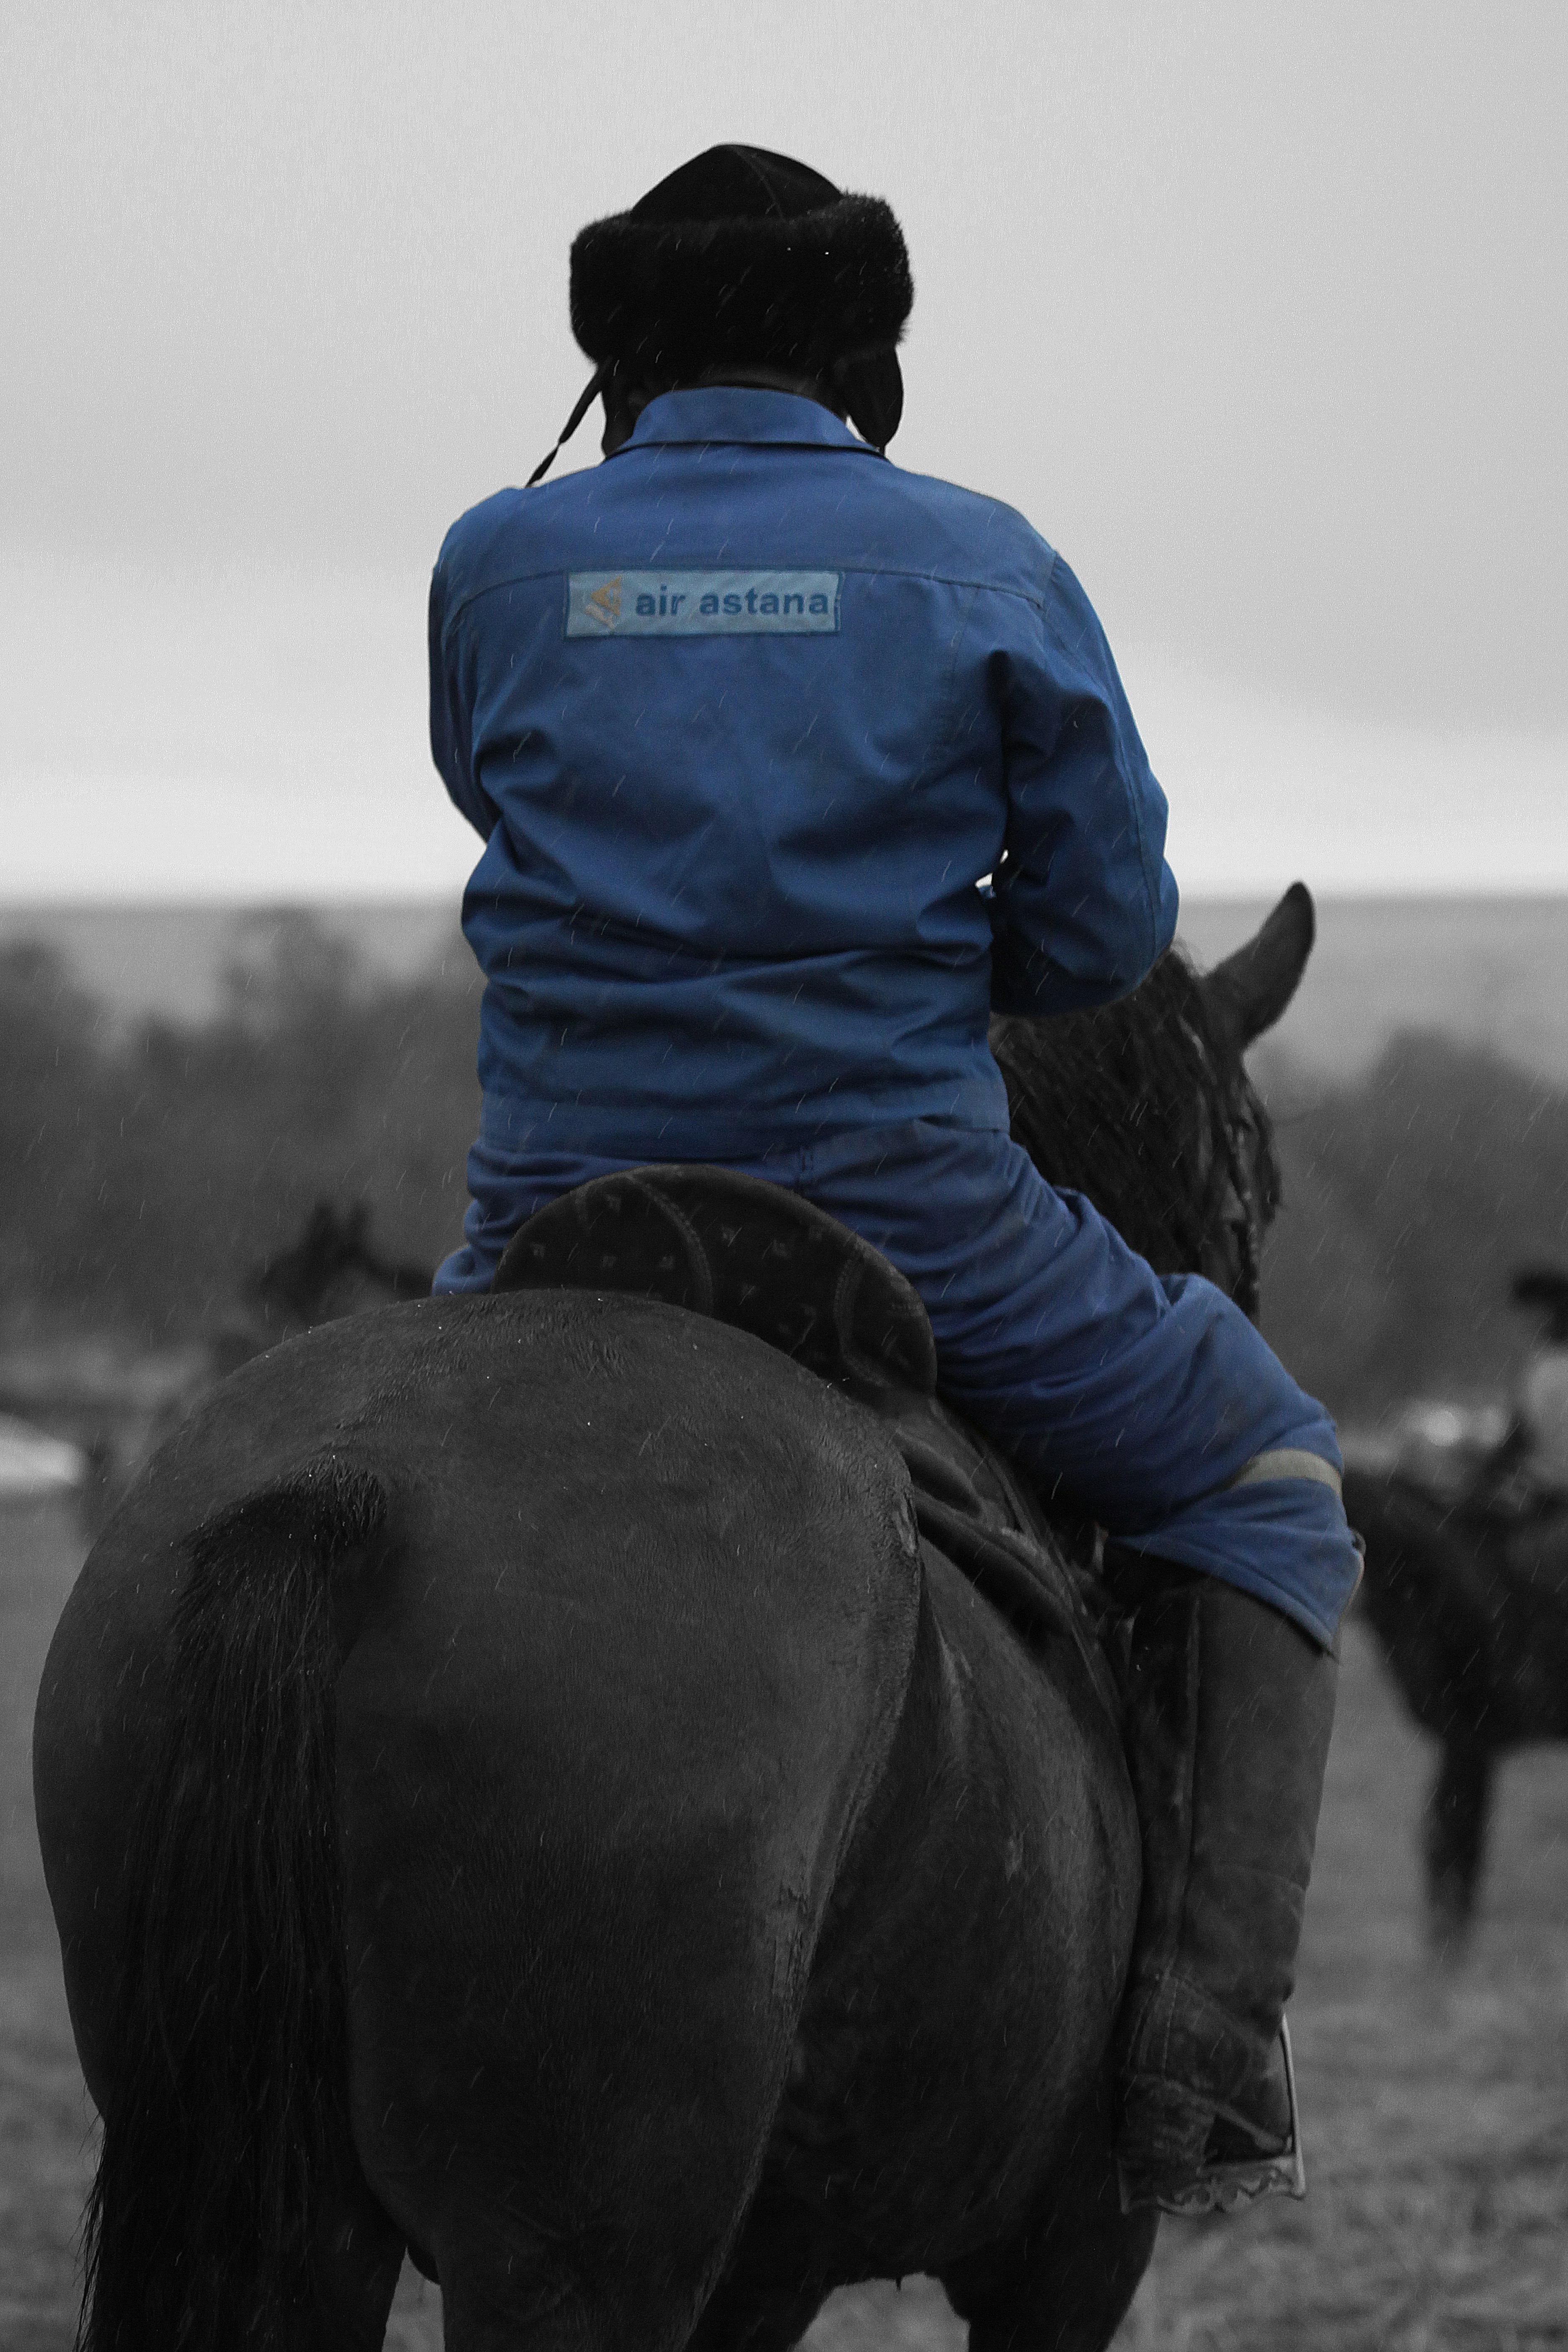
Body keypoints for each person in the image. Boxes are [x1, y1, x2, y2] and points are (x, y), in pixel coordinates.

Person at [426, 144, 1362, 2214]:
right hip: (909, 1205)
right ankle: (1206, 2062)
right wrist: (952, 958)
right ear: (871, 357)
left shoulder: (495, 561)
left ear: (617, 362)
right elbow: (1109, 935)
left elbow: (495, 793)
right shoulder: (987, 565)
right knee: (1271, 1481)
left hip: (545, 1208)